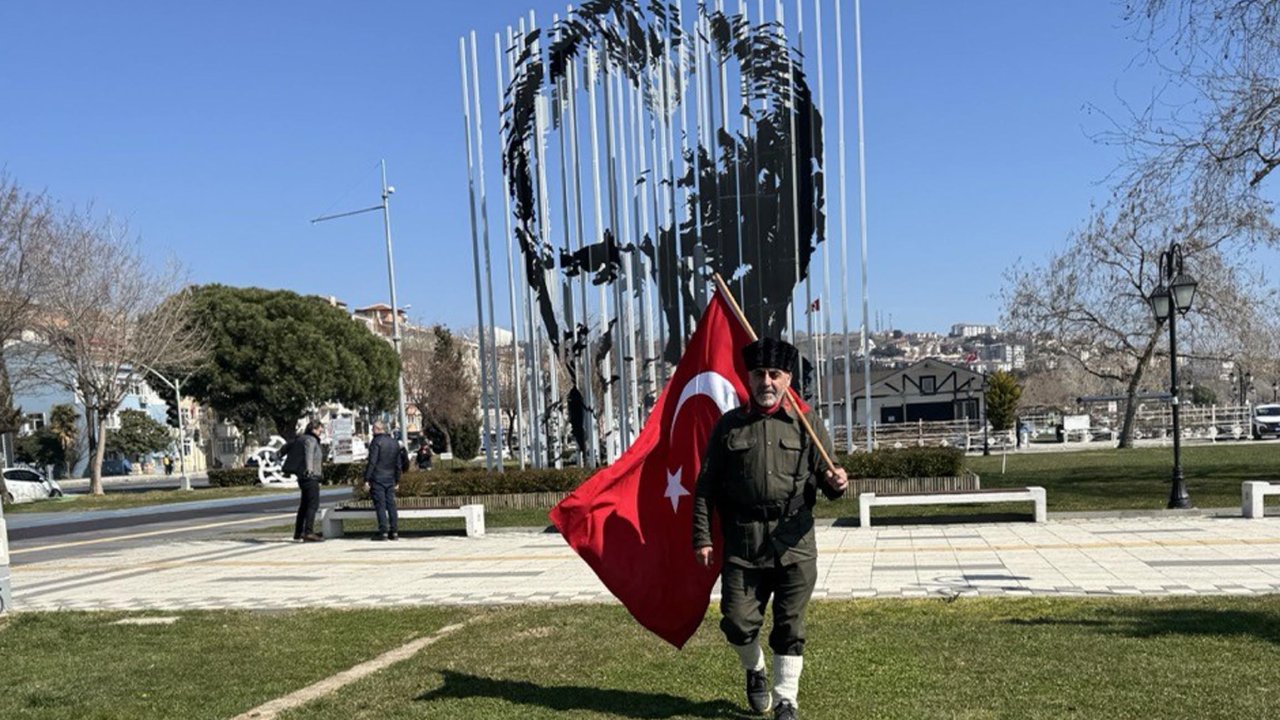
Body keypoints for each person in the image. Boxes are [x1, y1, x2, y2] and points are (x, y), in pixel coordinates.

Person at [692, 337, 849, 720]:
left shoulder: (806, 422)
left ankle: (785, 700)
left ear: (787, 378)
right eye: (759, 374)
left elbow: (829, 482)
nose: (767, 381)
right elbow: (705, 488)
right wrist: (702, 536)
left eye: (774, 374)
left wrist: (838, 481)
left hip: (794, 540)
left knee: (790, 623)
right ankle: (754, 669)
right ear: (748, 377)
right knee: (736, 621)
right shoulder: (730, 426)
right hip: (744, 542)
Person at [281, 420, 325, 542]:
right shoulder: (310, 440)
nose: (321, 431)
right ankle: (308, 532)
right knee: (312, 504)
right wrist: (310, 471)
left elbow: (285, 448)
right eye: (320, 429)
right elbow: (309, 454)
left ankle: (298, 532)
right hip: (310, 477)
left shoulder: (300, 438)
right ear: (314, 429)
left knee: (304, 505)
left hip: (302, 477)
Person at [364, 421, 402, 541]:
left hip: (378, 478)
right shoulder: (394, 442)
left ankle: (383, 531)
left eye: (372, 428)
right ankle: (394, 531)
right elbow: (398, 464)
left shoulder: (376, 442)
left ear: (377, 429)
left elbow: (372, 462)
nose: (371, 431)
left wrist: (367, 479)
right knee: (391, 504)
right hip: (390, 478)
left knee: (380, 505)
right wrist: (397, 480)